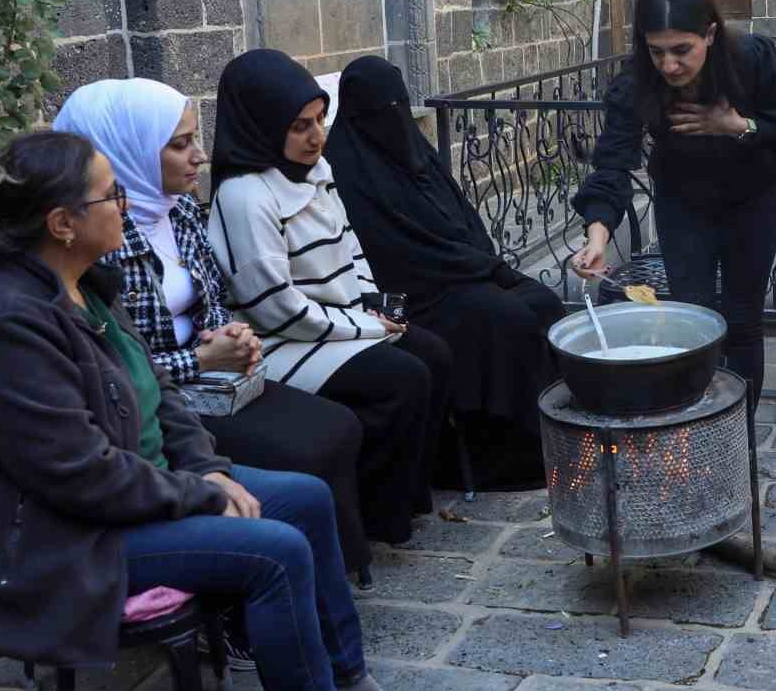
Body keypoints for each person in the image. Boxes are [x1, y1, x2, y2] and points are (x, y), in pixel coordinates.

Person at [0, 131, 436, 691]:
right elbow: (77, 475)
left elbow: (158, 398)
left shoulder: (82, 284)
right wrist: (199, 491)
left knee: (305, 499)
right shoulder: (3, 325)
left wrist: (207, 467)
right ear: (62, 223)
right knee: (273, 551)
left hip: (129, 497)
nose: (127, 205)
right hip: (60, 541)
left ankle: (345, 680)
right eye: (112, 194)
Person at [52, 78, 377, 590]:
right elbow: (120, 364)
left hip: (215, 378)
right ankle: (256, 588)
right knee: (303, 449)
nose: (199, 156)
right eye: (179, 144)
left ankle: (326, 576)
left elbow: (212, 291)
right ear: (129, 151)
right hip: (165, 397)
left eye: (195, 139)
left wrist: (228, 332)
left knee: (336, 426)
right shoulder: (99, 239)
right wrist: (202, 362)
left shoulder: (178, 209)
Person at [207, 49, 453, 546]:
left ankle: (400, 500)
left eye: (320, 119)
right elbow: (278, 308)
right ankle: (370, 515)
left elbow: (350, 244)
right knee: (400, 378)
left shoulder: (317, 171)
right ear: (262, 123)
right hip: (282, 343)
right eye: (299, 125)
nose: (316, 136)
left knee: (433, 353)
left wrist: (372, 301)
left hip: (339, 323)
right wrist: (365, 327)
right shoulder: (245, 196)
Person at [325, 56, 563, 491]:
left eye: (401, 104)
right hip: (417, 292)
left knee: (543, 302)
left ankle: (553, 434)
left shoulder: (414, 150)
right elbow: (396, 252)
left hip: (462, 269)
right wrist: (481, 269)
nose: (395, 117)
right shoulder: (346, 169)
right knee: (503, 317)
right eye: (384, 109)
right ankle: (500, 453)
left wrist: (484, 263)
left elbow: (461, 218)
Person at [570, 0, 776, 409]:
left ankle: (740, 438)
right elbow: (613, 161)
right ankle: (698, 421)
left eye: (682, 50)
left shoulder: (751, 59)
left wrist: (737, 126)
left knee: (742, 317)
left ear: (710, 35)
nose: (669, 66)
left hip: (754, 197)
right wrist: (598, 236)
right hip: (684, 202)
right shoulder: (636, 82)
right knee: (692, 314)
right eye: (657, 51)